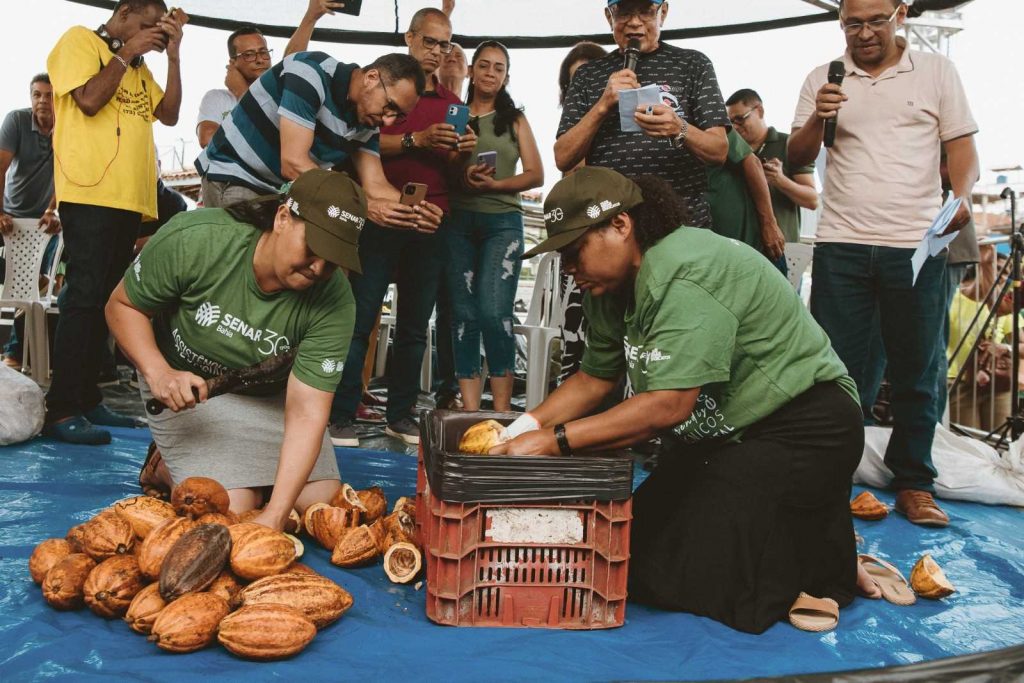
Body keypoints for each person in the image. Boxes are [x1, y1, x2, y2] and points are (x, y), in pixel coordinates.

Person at [493, 167, 865, 634]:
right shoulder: (607, 286)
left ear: (621, 225)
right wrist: (518, 432)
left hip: (802, 426)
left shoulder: (688, 270)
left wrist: (555, 442)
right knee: (634, 549)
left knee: (693, 578)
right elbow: (594, 378)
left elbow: (669, 405)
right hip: (722, 437)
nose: (569, 267)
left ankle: (819, 561)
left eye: (574, 250)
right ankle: (812, 536)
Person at [789, 0, 979, 527]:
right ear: (841, 24)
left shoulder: (937, 72)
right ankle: (838, 480)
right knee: (839, 374)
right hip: (842, 244)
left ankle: (914, 483)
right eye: (854, 23)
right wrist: (817, 115)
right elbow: (797, 157)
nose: (865, 32)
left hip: (915, 245)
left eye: (876, 20)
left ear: (899, 14)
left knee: (918, 368)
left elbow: (962, 150)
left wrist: (960, 197)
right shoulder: (822, 77)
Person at [106, 169, 363, 529]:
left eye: (333, 260)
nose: (319, 267)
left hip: (266, 396)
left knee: (319, 500)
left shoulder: (335, 299)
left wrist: (274, 516)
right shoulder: (198, 237)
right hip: (185, 388)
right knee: (230, 505)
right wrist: (158, 371)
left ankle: (241, 478)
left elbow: (306, 411)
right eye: (314, 248)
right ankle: (162, 465)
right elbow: (122, 306)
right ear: (283, 217)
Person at [328, 8, 476, 447]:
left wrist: (463, 152)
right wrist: (417, 138)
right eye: (429, 41)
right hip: (379, 213)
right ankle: (341, 413)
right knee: (359, 314)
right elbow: (358, 141)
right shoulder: (380, 86)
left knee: (416, 324)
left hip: (431, 218)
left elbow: (456, 174)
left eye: (444, 44)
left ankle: (402, 413)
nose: (436, 51)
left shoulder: (454, 104)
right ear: (409, 38)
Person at [44, 0, 185, 445]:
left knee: (108, 302)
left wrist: (174, 55)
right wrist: (125, 53)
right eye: (146, 26)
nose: (151, 37)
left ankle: (88, 399)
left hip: (131, 199)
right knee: (83, 297)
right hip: (89, 193)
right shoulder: (80, 41)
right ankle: (62, 407)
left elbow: (170, 114)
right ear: (123, 13)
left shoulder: (139, 67)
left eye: (157, 32)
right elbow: (87, 101)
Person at [195, 49, 442, 241]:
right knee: (241, 266)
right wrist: (365, 207)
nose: (388, 120)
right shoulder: (309, 73)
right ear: (371, 77)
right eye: (390, 106)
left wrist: (416, 211)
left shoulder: (367, 122)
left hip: (276, 190)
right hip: (234, 173)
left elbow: (376, 184)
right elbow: (293, 164)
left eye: (398, 116)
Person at [555, 0, 728, 227]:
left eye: (646, 11)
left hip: (683, 221)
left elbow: (719, 150)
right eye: (624, 12)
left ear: (662, 13)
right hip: (613, 222)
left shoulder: (693, 65)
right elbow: (563, 157)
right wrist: (602, 105)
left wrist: (679, 127)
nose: (635, 22)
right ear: (609, 17)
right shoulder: (587, 75)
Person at [445, 41, 543, 412]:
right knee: (463, 315)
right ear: (470, 70)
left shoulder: (514, 119)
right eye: (483, 65)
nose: (490, 73)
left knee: (493, 312)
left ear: (505, 77)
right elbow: (442, 163)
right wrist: (461, 170)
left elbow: (536, 174)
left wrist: (496, 185)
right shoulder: (455, 113)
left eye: (498, 68)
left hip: (503, 222)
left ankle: (501, 412)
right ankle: (470, 413)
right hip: (457, 220)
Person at [196, 2, 346, 150]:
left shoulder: (281, 95)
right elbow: (208, 140)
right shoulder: (217, 98)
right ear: (233, 62)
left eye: (263, 52)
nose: (260, 59)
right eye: (249, 55)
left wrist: (242, 92)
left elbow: (291, 61)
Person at [0, 73, 61, 369]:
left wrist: (54, 211)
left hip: (43, 222)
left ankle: (17, 355)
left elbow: (68, 172)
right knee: (24, 284)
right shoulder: (16, 121)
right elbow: (0, 165)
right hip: (11, 216)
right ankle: (15, 353)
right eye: (37, 95)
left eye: (49, 95)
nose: (42, 101)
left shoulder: (69, 127)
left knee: (36, 287)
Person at [555, 41, 607, 385]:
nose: (583, 88)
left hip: (610, 240)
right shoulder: (570, 129)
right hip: (575, 236)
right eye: (574, 82)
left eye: (591, 79)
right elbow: (567, 166)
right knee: (574, 333)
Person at [726, 89, 818, 244]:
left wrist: (781, 181)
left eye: (740, 119)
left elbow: (812, 200)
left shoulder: (790, 145)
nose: (735, 127)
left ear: (760, 111)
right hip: (740, 247)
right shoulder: (728, 150)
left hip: (779, 247)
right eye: (730, 122)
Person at [705, 128, 787, 269]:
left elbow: (751, 162)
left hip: (754, 246)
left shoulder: (707, 121)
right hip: (713, 253)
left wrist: (769, 223)